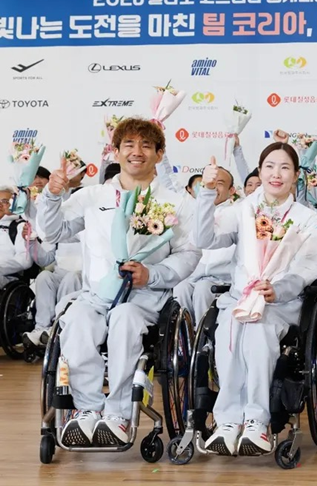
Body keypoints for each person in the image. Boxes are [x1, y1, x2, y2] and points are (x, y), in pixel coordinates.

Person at [36, 118, 200, 446]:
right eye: (128, 145)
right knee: (77, 321)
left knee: (125, 321)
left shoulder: (177, 202)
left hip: (145, 298)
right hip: (96, 295)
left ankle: (119, 415)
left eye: (145, 146)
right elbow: (51, 233)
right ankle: (86, 410)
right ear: (115, 152)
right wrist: (53, 196)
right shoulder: (92, 196)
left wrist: (152, 274)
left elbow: (189, 253)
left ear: (159, 153)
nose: (136, 152)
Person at [196, 143, 317, 456]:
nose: (276, 174)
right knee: (228, 335)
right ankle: (226, 421)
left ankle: (256, 420)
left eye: (284, 167)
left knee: (257, 332)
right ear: (259, 170)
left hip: (280, 304)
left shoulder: (308, 218)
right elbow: (203, 239)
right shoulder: (243, 209)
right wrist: (206, 192)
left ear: (295, 175)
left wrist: (278, 289)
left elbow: (307, 267)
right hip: (239, 299)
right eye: (269, 166)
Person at [174, 164, 237, 322]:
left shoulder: (237, 213)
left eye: (220, 183)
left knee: (203, 289)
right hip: (194, 277)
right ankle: (183, 339)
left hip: (222, 279)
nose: (214, 187)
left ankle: (205, 343)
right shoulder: (193, 212)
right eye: (210, 183)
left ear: (231, 191)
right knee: (179, 288)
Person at [0, 186, 33, 287]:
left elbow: (25, 259)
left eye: (4, 201)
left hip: (8, 278)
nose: (0, 205)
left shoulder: (20, 226)